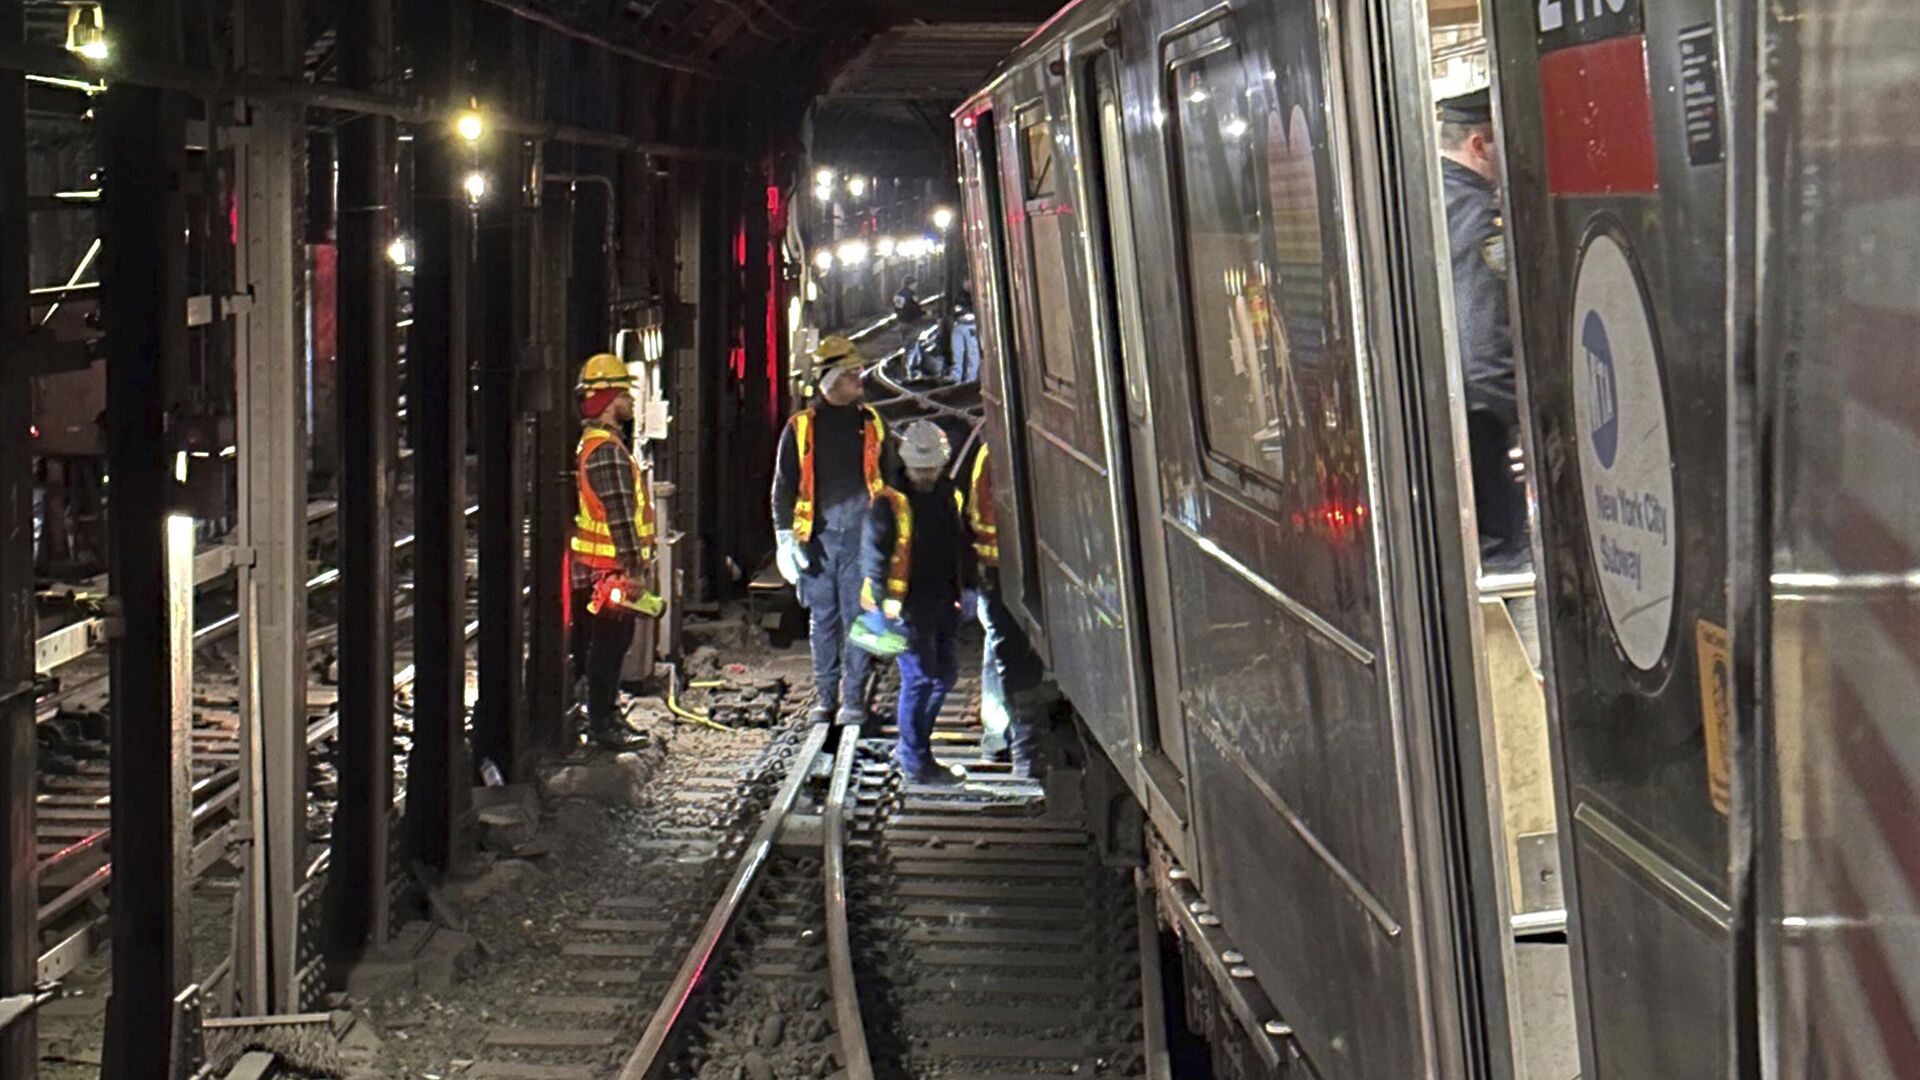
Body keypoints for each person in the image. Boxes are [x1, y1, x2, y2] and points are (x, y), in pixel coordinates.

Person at [771, 335, 889, 724]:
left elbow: (891, 481)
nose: (860, 379)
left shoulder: (871, 424)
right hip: (818, 539)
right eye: (852, 373)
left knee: (857, 617)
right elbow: (784, 487)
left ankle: (852, 701)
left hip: (862, 538)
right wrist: (785, 538)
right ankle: (826, 698)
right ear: (831, 379)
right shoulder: (801, 428)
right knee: (822, 619)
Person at [1438, 87, 1531, 576]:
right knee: (1509, 569)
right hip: (1487, 430)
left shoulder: (1434, 198)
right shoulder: (1477, 214)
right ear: (1479, 145)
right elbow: (1482, 340)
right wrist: (1524, 419)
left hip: (1455, 419)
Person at [864, 421, 970, 785]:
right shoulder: (889, 503)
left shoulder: (948, 493)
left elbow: (959, 541)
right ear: (907, 464)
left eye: (932, 468)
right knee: (921, 677)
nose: (926, 475)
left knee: (945, 675)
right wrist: (883, 605)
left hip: (941, 599)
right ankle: (914, 758)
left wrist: (968, 585)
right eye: (920, 469)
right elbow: (875, 558)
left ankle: (914, 749)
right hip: (906, 606)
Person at [570, 353, 660, 749]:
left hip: (599, 569)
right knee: (610, 647)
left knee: (606, 645)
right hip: (609, 572)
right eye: (624, 392)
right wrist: (634, 570)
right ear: (607, 398)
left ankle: (604, 718)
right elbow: (621, 516)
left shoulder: (595, 444)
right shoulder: (607, 450)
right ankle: (604, 726)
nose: (629, 399)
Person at [958, 438, 1044, 777]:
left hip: (998, 573)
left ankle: (997, 741)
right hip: (999, 574)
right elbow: (981, 517)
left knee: (999, 655)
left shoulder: (989, 455)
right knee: (1010, 657)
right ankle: (1017, 750)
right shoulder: (993, 456)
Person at [892, 275, 928, 378]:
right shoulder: (912, 295)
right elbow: (915, 309)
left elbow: (898, 309)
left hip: (902, 323)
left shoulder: (898, 295)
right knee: (911, 347)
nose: (916, 286)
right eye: (915, 284)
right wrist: (925, 313)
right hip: (912, 323)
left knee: (909, 345)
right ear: (911, 284)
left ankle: (914, 370)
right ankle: (907, 372)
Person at [949, 289, 981, 384]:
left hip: (969, 325)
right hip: (960, 325)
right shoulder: (961, 295)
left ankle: (969, 379)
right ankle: (958, 377)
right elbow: (955, 309)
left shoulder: (974, 296)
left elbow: (957, 310)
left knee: (972, 353)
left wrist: (962, 311)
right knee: (958, 352)